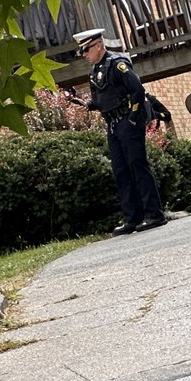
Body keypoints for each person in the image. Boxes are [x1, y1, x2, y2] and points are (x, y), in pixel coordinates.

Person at [74, 28, 167, 236]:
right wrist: (87, 104)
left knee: (137, 165)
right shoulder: (95, 70)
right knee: (121, 170)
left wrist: (134, 118)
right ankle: (131, 218)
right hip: (112, 123)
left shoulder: (117, 64)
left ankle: (154, 214)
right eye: (83, 52)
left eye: (87, 50)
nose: (85, 55)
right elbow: (102, 99)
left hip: (126, 120)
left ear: (98, 45)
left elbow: (137, 90)